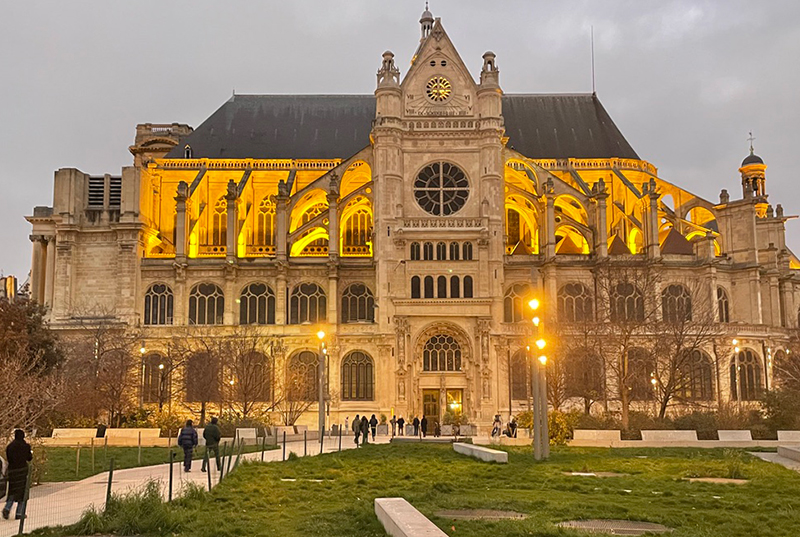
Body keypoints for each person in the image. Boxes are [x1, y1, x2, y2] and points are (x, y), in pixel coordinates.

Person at [3, 430, 32, 520]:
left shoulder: (10, 447)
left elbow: (8, 458)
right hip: (22, 471)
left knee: (12, 490)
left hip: (12, 471)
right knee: (22, 492)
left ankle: (7, 508)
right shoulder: (26, 446)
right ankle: (19, 513)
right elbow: (29, 458)